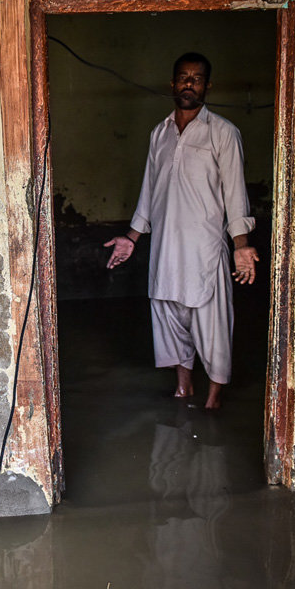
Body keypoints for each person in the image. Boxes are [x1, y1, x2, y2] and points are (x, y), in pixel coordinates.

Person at [104, 52, 258, 410]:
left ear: (207, 86)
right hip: (165, 247)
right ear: (172, 84)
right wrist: (132, 237)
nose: (190, 84)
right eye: (184, 77)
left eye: (197, 78)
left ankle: (213, 400)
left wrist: (241, 245)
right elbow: (149, 191)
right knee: (169, 317)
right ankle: (183, 388)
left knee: (212, 324)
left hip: (204, 247)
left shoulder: (223, 132)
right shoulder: (159, 133)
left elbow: (236, 194)